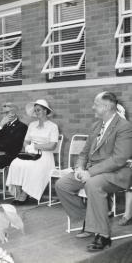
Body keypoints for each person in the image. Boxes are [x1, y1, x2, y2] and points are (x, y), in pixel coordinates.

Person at [55, 91, 132, 252]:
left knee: (92, 183)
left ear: (106, 106)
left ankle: (103, 235)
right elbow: (84, 152)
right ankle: (89, 219)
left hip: (117, 172)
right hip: (92, 170)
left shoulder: (124, 127)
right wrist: (80, 168)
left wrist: (90, 172)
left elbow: (119, 159)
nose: (93, 107)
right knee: (62, 184)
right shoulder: (96, 125)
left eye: (96, 105)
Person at [6, 99, 59, 205]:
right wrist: (28, 147)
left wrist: (35, 146)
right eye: (35, 110)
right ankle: (19, 192)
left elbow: (52, 145)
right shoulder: (32, 125)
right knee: (15, 163)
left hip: (45, 155)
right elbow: (25, 141)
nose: (36, 112)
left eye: (38, 110)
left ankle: (25, 194)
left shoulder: (53, 126)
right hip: (31, 154)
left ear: (45, 111)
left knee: (32, 167)